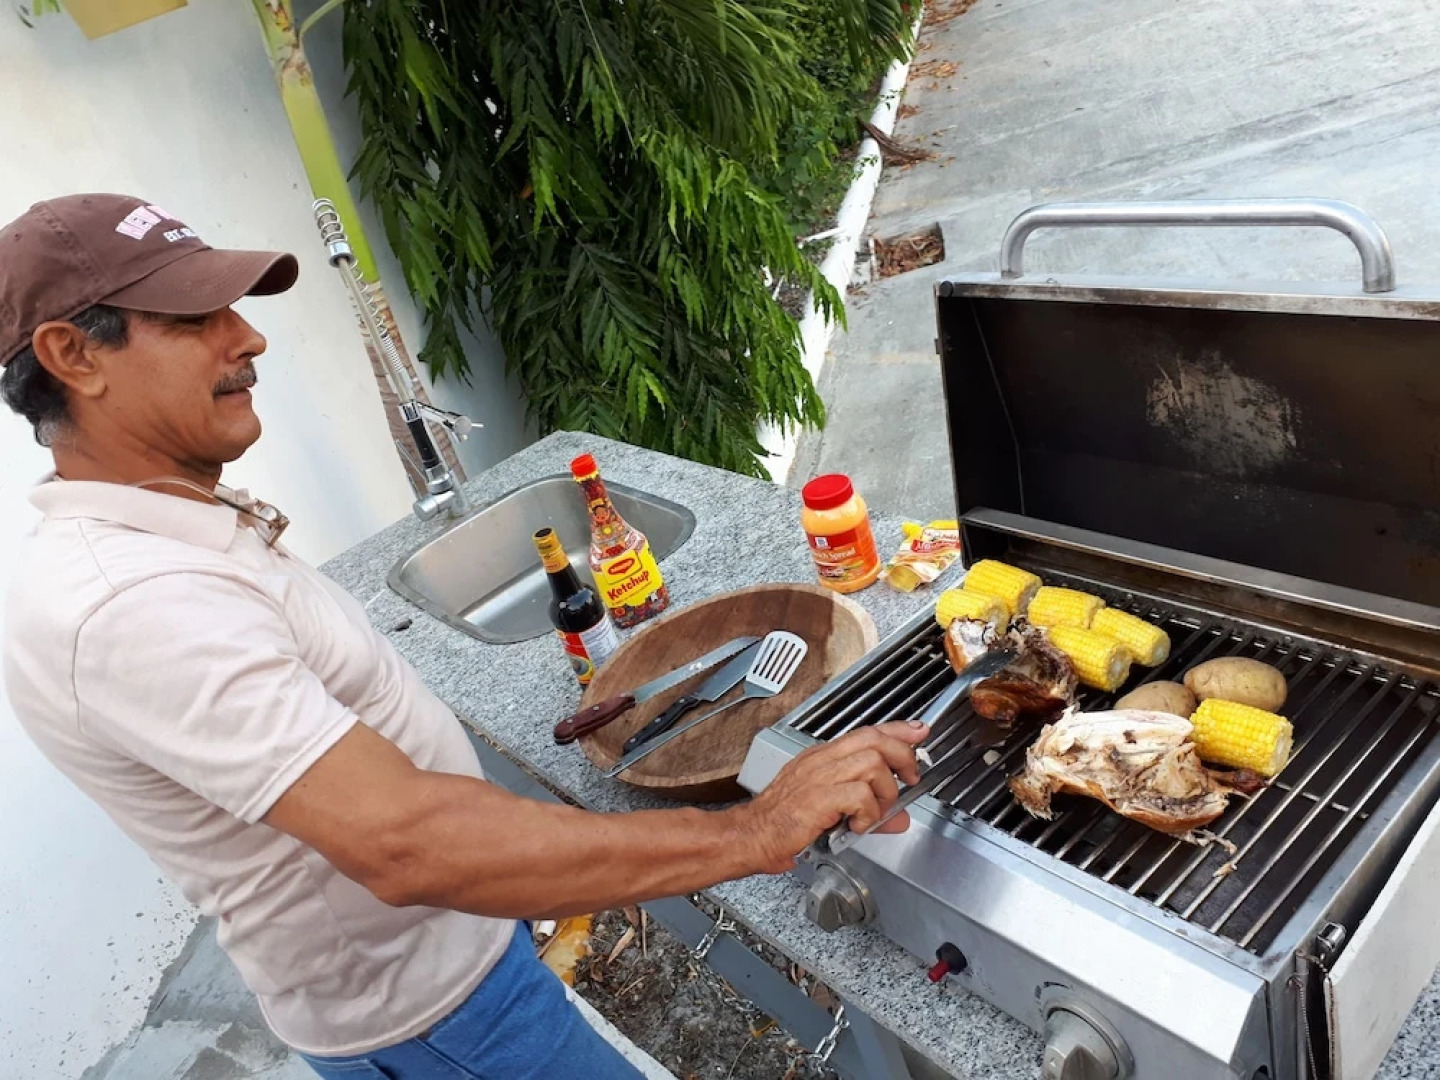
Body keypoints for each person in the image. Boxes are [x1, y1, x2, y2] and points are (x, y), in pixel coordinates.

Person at [0, 194, 928, 1080]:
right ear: (73, 354)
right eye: (196, 317)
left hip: (463, 957)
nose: (248, 338)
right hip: (435, 1019)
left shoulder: (164, 523)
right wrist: (758, 830)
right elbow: (409, 845)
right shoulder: (128, 603)